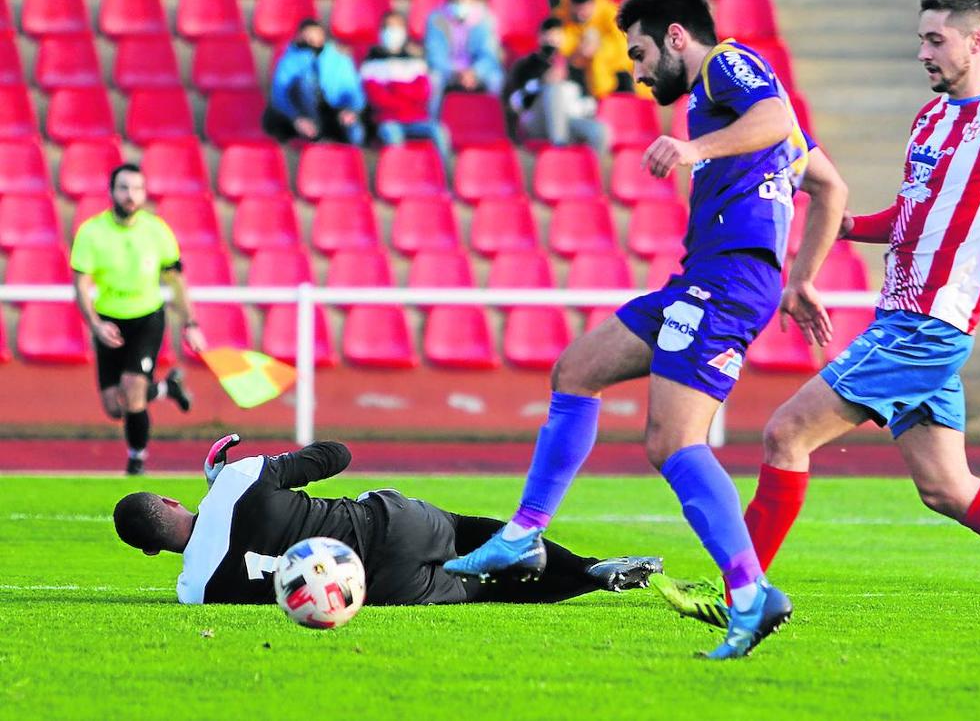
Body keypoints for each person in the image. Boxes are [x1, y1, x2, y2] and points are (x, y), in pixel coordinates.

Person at [653, 0, 980, 654]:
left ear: (977, 41)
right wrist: (844, 225)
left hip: (924, 327)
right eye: (921, 39)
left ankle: (741, 593)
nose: (923, 52)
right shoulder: (930, 119)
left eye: (936, 40)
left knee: (786, 433)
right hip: (906, 318)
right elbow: (911, 222)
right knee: (946, 488)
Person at [444, 0, 850, 661]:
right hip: (704, 280)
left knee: (672, 442)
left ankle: (751, 595)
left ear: (676, 38)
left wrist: (697, 150)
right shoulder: (723, 107)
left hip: (726, 283)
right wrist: (802, 277)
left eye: (637, 54)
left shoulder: (726, 64)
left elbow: (778, 118)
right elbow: (829, 186)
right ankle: (523, 532)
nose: (634, 72)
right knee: (576, 370)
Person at [112, 436, 662, 606]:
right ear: (168, 501)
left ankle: (590, 585)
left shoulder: (194, 591)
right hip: (390, 524)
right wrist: (229, 480)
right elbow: (337, 454)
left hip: (378, 586)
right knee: (481, 533)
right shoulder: (236, 481)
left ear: (149, 551)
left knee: (492, 590)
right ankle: (589, 567)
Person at [70, 164, 204, 475]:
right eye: (124, 188)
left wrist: (191, 323)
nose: (131, 195)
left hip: (147, 318)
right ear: (111, 192)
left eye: (137, 189)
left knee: (132, 390)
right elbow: (80, 284)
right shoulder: (92, 232)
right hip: (109, 322)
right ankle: (167, 389)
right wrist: (96, 324)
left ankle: (136, 461)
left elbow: (175, 280)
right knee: (114, 407)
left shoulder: (157, 231)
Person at [504, 17, 609, 154]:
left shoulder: (572, 66)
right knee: (554, 89)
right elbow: (515, 103)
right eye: (548, 35)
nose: (552, 40)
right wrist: (542, 82)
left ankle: (588, 171)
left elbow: (589, 104)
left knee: (599, 131)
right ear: (540, 38)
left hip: (568, 121)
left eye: (556, 35)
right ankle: (559, 151)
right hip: (537, 122)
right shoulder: (526, 65)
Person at [360, 10, 452, 163]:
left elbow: (423, 93)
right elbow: (378, 99)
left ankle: (444, 177)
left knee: (440, 132)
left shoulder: (415, 62)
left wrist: (394, 87)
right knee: (393, 135)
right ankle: (401, 176)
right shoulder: (371, 65)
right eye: (388, 27)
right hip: (389, 120)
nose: (393, 31)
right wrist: (407, 92)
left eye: (397, 27)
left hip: (417, 119)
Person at [262, 19, 366, 146]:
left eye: (315, 34)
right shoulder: (289, 60)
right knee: (306, 83)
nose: (312, 39)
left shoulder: (339, 58)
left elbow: (353, 89)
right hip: (305, 112)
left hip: (335, 110)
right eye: (307, 36)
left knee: (355, 135)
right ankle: (315, 134)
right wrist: (296, 118)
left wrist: (352, 109)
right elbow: (279, 93)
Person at [424, 0, 505, 118]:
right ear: (449, 0)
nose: (462, 4)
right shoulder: (436, 19)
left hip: (475, 71)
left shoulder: (485, 19)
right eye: (457, 0)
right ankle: (432, 125)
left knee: (496, 80)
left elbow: (489, 54)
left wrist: (475, 72)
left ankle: (497, 124)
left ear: (474, 1)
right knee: (433, 80)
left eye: (467, 0)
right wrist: (456, 72)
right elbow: (435, 55)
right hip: (448, 71)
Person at [555, 0, 637, 99]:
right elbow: (560, 41)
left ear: (593, 5)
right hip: (578, 66)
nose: (580, 15)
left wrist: (598, 46)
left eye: (584, 11)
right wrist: (578, 50)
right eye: (576, 12)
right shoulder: (562, 14)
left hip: (612, 69)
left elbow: (622, 43)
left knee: (599, 58)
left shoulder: (610, 13)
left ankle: (603, 97)